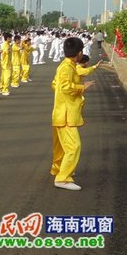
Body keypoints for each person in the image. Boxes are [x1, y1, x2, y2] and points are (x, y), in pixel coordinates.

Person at [50, 37, 94, 191]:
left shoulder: (67, 66)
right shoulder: (67, 68)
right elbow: (66, 87)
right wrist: (82, 87)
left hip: (61, 111)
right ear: (80, 53)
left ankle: (58, 169)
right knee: (74, 146)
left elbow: (55, 85)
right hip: (65, 114)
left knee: (61, 147)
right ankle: (62, 178)